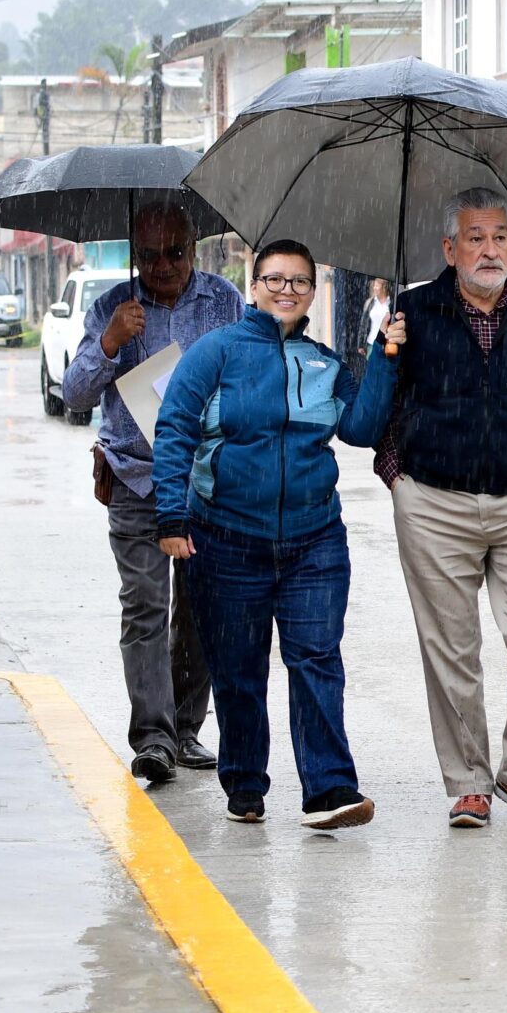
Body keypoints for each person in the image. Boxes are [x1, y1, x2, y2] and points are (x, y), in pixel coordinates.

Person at [155, 239, 400, 829]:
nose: (286, 290)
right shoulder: (214, 353)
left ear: (313, 291)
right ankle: (245, 784)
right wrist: (171, 518)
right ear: (253, 283)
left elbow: (363, 428)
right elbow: (175, 429)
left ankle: (329, 790)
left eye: (298, 282)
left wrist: (385, 353)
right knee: (238, 670)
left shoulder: (322, 362)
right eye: (274, 279)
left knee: (316, 658)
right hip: (224, 538)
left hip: (314, 540)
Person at [375, 187, 507, 830]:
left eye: (499, 238)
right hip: (434, 501)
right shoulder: (412, 312)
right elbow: (384, 403)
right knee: (451, 648)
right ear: (449, 248)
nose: (489, 250)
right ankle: (469, 781)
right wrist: (399, 479)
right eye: (475, 238)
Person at [61, 203, 243, 786]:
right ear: (133, 254)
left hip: (204, 480)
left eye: (175, 252)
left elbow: (245, 378)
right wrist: (111, 341)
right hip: (135, 478)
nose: (162, 265)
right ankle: (154, 737)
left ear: (195, 248)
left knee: (197, 609)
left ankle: (186, 727)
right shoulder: (111, 306)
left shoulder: (224, 303)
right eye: (148, 255)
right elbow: (75, 396)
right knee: (144, 605)